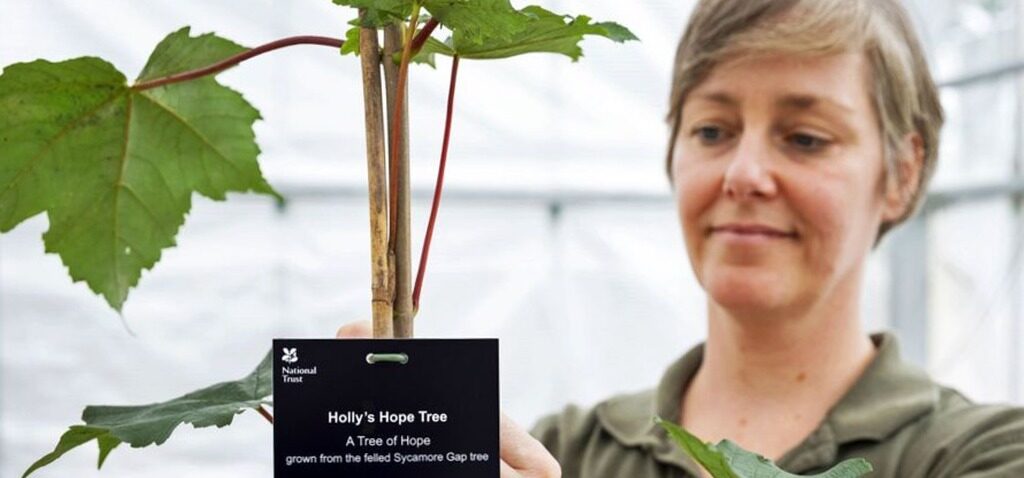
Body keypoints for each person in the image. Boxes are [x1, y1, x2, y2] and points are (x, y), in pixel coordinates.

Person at [338, 0, 1024, 476]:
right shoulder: (566, 448)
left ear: (902, 174)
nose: (744, 174)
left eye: (805, 138)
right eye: (713, 131)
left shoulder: (981, 456)